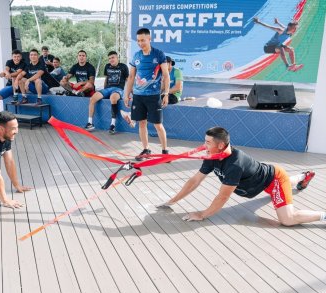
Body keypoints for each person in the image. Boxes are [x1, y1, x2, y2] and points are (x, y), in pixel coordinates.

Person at [158, 127, 324, 226]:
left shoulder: (235, 164)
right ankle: (304, 176)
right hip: (259, 181)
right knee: (288, 182)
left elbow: (222, 197)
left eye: (208, 142)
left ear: (221, 145)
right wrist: (172, 200)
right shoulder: (212, 155)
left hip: (274, 179)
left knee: (288, 219)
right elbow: (195, 180)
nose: (204, 146)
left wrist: (202, 214)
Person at [124, 28, 170, 161]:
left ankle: (165, 151)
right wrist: (126, 94)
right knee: (142, 123)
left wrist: (165, 94)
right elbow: (131, 76)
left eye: (143, 40)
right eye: (138, 41)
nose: (140, 43)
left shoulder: (159, 54)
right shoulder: (136, 56)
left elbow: (166, 76)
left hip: (154, 96)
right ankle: (146, 149)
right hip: (138, 96)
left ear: (149, 39)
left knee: (157, 124)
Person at [85, 51, 129, 134]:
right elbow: (106, 78)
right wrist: (104, 91)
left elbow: (128, 80)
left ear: (117, 58)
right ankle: (90, 123)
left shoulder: (123, 66)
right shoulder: (107, 66)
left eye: (112, 57)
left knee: (113, 98)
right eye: (109, 58)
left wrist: (131, 93)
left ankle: (112, 125)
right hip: (107, 89)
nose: (111, 60)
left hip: (118, 89)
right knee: (92, 98)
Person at [0, 49, 25, 123]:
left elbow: (18, 73)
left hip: (19, 87)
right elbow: (6, 69)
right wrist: (5, 73)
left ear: (20, 57)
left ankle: (15, 96)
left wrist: (6, 74)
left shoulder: (23, 63)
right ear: (12, 57)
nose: (16, 58)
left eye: (18, 57)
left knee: (14, 77)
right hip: (10, 86)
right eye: (15, 57)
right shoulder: (9, 61)